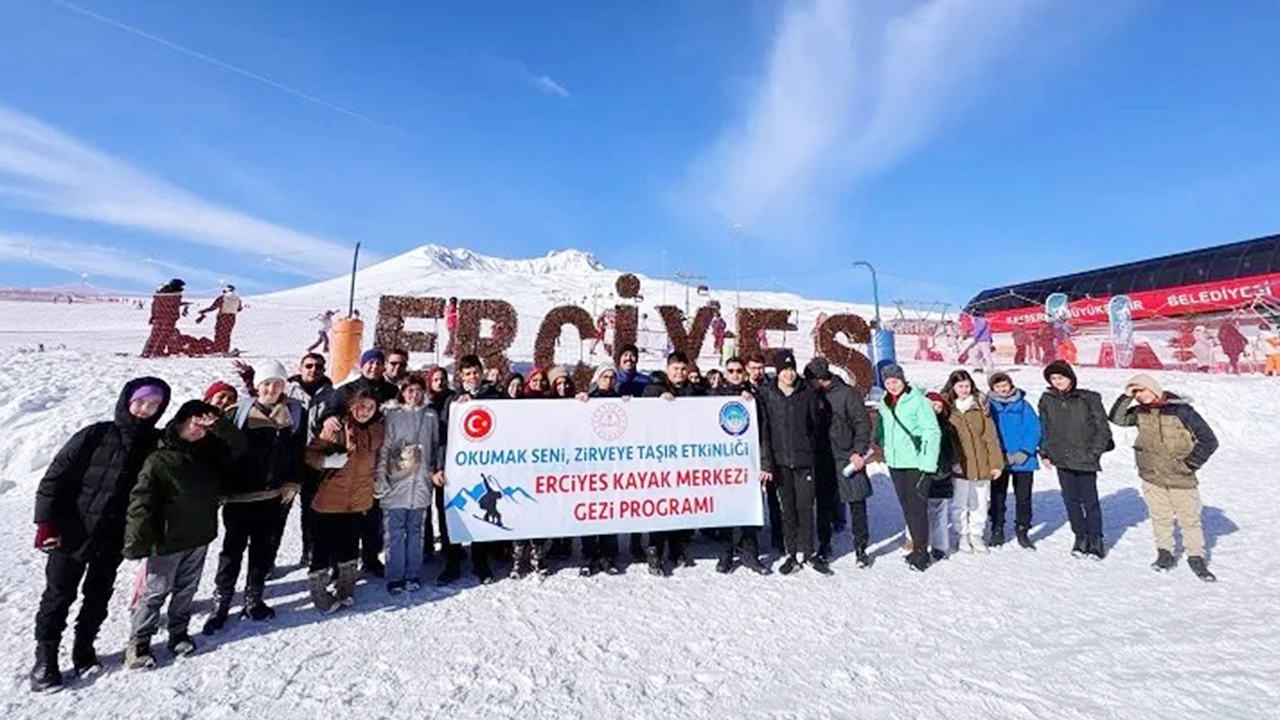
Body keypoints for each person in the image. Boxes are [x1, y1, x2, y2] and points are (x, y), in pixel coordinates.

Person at [30, 378, 171, 692]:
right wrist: (46, 525)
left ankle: (84, 648)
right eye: (141, 402)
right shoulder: (95, 434)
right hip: (72, 532)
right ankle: (45, 659)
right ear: (126, 400)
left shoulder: (156, 443)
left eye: (154, 405)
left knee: (98, 594)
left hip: (114, 536)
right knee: (58, 596)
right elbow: (55, 478)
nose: (146, 410)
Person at [122, 400, 243, 669]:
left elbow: (239, 446)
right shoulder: (159, 458)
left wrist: (219, 425)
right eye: (195, 423)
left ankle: (178, 633)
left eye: (205, 426)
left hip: (199, 535)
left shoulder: (209, 452)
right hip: (167, 540)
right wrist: (136, 540)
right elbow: (141, 501)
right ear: (181, 421)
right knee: (155, 593)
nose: (200, 430)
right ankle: (139, 642)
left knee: (186, 589)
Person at [203, 360, 305, 634]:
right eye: (267, 383)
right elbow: (222, 452)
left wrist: (293, 481)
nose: (272, 388)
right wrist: (221, 488)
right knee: (232, 550)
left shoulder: (295, 412)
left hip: (273, 495)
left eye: (278, 383)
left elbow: (297, 449)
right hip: (240, 495)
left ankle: (254, 597)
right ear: (258, 385)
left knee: (262, 548)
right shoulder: (238, 412)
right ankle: (221, 601)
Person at [1109, 375, 1219, 581]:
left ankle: (1196, 557)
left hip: (1180, 476)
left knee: (1189, 520)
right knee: (1160, 517)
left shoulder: (1182, 411)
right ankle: (1165, 553)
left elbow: (1209, 440)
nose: (1140, 396)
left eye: (1143, 390)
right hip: (1151, 475)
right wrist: (1125, 397)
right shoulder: (1141, 412)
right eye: (1136, 393)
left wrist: (1190, 464)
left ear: (1154, 389)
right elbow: (1117, 418)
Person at [306, 392, 385, 612]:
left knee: (350, 547)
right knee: (322, 548)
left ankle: (345, 589)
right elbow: (310, 455)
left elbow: (382, 458)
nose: (365, 411)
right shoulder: (336, 427)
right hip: (329, 500)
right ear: (351, 407)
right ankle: (320, 595)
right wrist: (326, 460)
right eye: (361, 406)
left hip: (359, 502)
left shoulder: (378, 430)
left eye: (370, 407)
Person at [327, 349, 398, 576]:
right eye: (370, 363)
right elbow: (330, 412)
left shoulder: (391, 390)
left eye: (378, 363)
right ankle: (339, 563)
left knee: (373, 514)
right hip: (351, 459)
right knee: (346, 516)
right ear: (363, 364)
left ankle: (370, 557)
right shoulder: (347, 390)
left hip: (378, 459)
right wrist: (329, 418)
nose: (374, 367)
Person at [757, 351, 827, 575]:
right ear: (777, 371)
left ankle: (808, 552)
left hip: (804, 460)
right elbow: (764, 431)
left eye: (791, 369)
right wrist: (767, 462)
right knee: (788, 510)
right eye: (784, 369)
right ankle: (791, 553)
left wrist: (808, 445)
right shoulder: (768, 394)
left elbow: (815, 424)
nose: (788, 373)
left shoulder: (807, 392)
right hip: (780, 462)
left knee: (806, 507)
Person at [1038, 360, 1114, 560]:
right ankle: (1080, 536)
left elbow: (1102, 429)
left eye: (1061, 377)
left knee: (1090, 500)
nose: (1057, 381)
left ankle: (1096, 539)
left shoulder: (1088, 398)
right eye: (1053, 378)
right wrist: (1045, 452)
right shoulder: (1047, 399)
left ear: (1070, 377)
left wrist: (1093, 453)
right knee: (1071, 500)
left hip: (1085, 457)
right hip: (1061, 457)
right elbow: (1044, 428)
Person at [376, 374, 444, 594]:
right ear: (402, 392)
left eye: (417, 390)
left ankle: (412, 573)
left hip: (421, 482)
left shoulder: (431, 416)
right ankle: (395, 575)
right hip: (397, 480)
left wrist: (433, 470)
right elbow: (385, 449)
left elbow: (434, 447)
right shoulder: (392, 415)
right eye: (409, 391)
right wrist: (381, 476)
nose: (413, 395)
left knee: (416, 529)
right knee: (395, 530)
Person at [441, 354, 504, 584]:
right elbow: (443, 433)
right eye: (467, 373)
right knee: (452, 514)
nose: (472, 377)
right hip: (458, 467)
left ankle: (481, 563)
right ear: (461, 376)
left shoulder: (495, 396)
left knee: (481, 518)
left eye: (476, 372)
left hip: (486, 466)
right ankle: (452, 564)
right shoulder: (453, 400)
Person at [805, 358, 873, 568]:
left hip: (847, 455)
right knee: (824, 504)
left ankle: (861, 547)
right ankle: (824, 545)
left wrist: (859, 451)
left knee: (856, 502)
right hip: (822, 456)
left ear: (820, 379)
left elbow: (862, 423)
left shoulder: (847, 394)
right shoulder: (811, 394)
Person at [642, 351, 705, 575]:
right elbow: (646, 402)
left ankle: (677, 547)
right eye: (675, 369)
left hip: (685, 458)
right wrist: (659, 397)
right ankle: (655, 550)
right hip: (661, 459)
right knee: (661, 506)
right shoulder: (655, 386)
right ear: (668, 369)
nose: (679, 373)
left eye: (682, 369)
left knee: (681, 503)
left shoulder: (694, 390)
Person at [875, 364, 941, 572]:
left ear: (903, 380)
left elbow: (932, 431)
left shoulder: (918, 401)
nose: (892, 385)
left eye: (895, 381)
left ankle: (922, 554)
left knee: (918, 509)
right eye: (888, 382)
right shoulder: (885, 402)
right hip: (896, 463)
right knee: (907, 508)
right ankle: (917, 549)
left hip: (916, 463)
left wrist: (927, 463)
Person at [712, 357, 771, 575]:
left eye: (739, 371)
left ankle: (750, 554)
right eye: (731, 371)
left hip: (749, 463)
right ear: (725, 373)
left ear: (744, 374)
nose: (735, 375)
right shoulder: (714, 396)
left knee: (749, 509)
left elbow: (764, 431)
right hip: (724, 464)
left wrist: (765, 463)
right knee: (726, 511)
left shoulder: (754, 398)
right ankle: (725, 554)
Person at [940, 369, 1004, 553]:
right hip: (960, 463)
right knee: (960, 502)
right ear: (953, 387)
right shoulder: (947, 408)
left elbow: (990, 437)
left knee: (980, 501)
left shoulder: (981, 406)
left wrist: (996, 463)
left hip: (981, 462)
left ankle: (976, 535)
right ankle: (962, 535)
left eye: (967, 385)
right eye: (960, 386)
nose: (964, 389)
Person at [286, 353, 336, 566]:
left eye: (318, 367)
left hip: (314, 459)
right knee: (279, 510)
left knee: (312, 508)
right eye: (309, 366)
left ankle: (310, 550)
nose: (313, 370)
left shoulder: (331, 394)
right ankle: (266, 559)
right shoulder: (288, 391)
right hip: (289, 458)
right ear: (301, 367)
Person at [576, 363, 623, 576]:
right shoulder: (588, 399)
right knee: (591, 512)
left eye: (612, 377)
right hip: (590, 466)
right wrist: (579, 403)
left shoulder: (621, 399)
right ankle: (589, 556)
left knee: (610, 511)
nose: (609, 381)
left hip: (613, 466)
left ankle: (608, 556)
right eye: (605, 377)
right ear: (597, 378)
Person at [987, 372, 1041, 549]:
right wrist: (996, 455)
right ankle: (997, 528)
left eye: (1005, 385)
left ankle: (1022, 528)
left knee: (1023, 496)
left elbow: (1033, 428)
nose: (1002, 389)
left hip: (1023, 459)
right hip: (999, 459)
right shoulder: (988, 406)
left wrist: (1025, 451)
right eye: (998, 386)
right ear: (992, 388)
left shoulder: (1023, 405)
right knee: (998, 495)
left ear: (1011, 385)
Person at [743, 350, 782, 551]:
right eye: (753, 368)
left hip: (771, 446)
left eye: (760, 368)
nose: (757, 371)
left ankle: (778, 535)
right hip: (748, 448)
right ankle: (750, 538)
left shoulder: (772, 385)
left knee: (775, 495)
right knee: (750, 494)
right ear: (747, 369)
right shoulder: (741, 387)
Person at [924, 392, 956, 561]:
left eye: (938, 406)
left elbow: (951, 451)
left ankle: (940, 546)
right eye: (932, 405)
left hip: (941, 472)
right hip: (920, 472)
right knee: (918, 510)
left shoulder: (946, 427)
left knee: (939, 510)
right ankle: (916, 541)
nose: (935, 409)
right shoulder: (918, 424)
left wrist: (950, 466)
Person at [141, 279, 185, 358]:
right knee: (164, 335)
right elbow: (172, 305)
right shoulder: (174, 294)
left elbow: (155, 305)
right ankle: (157, 352)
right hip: (169, 318)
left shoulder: (160, 294)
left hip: (158, 317)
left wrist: (153, 315)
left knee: (155, 335)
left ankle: (147, 351)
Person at [195, 285, 243, 355]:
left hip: (223, 317)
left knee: (219, 333)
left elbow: (213, 307)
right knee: (227, 334)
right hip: (232, 317)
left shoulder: (223, 297)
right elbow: (239, 309)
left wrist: (204, 311)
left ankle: (218, 348)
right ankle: (225, 349)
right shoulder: (238, 299)